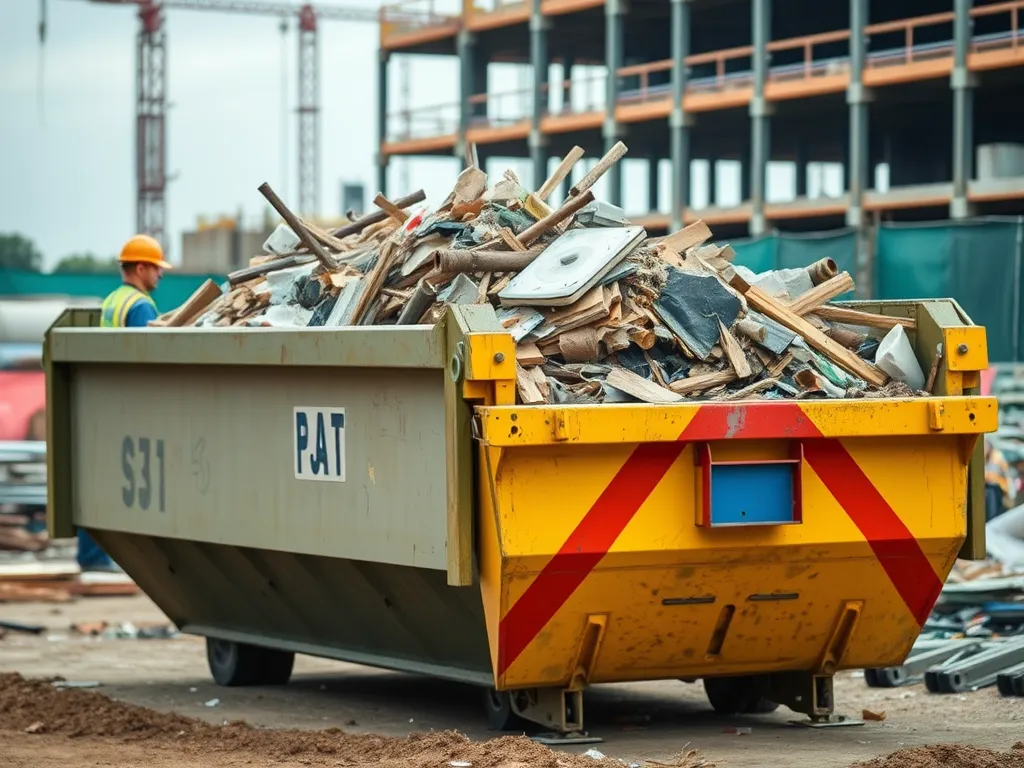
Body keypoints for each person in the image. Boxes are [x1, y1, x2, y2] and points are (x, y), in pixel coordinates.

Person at [76, 234, 171, 573]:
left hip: (107, 399)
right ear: (141, 267)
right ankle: (102, 559)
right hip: (129, 405)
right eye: (157, 269)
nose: (160, 275)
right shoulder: (141, 305)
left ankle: (94, 556)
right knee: (124, 487)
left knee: (99, 482)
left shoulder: (114, 299)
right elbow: (144, 358)